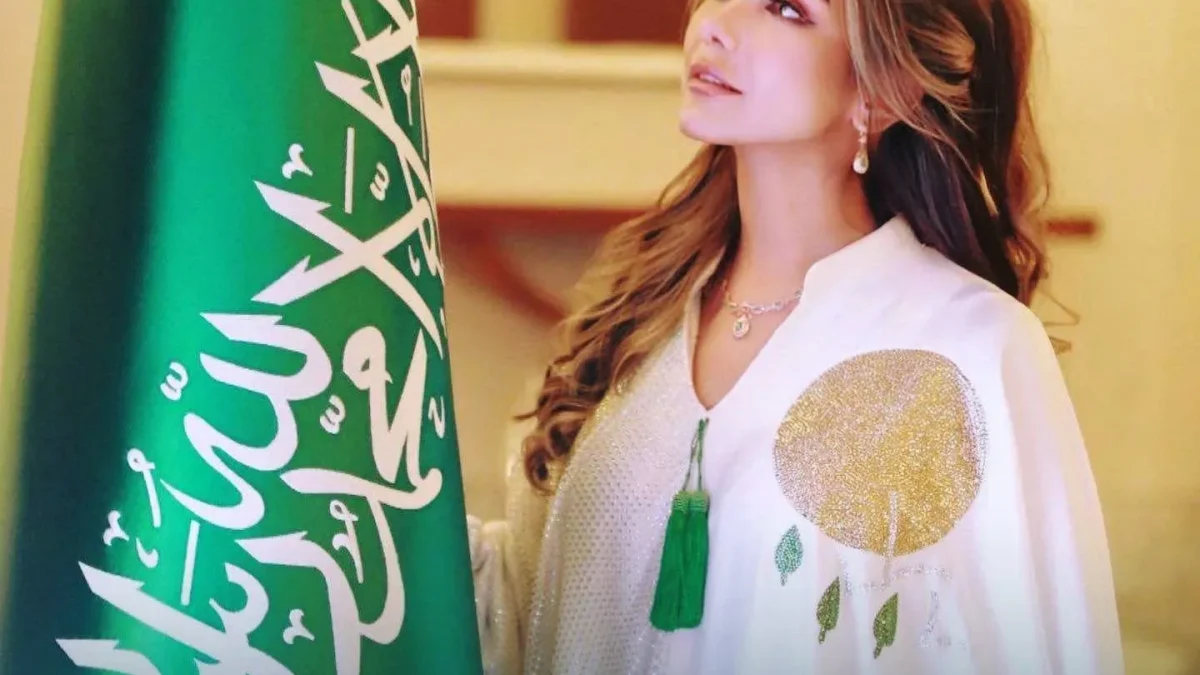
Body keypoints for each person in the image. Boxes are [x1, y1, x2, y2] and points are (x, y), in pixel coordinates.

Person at [467, 0, 1124, 672]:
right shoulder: (639, 314)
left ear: (886, 91)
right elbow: (526, 612)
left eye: (786, 8)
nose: (714, 24)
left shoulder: (968, 347)